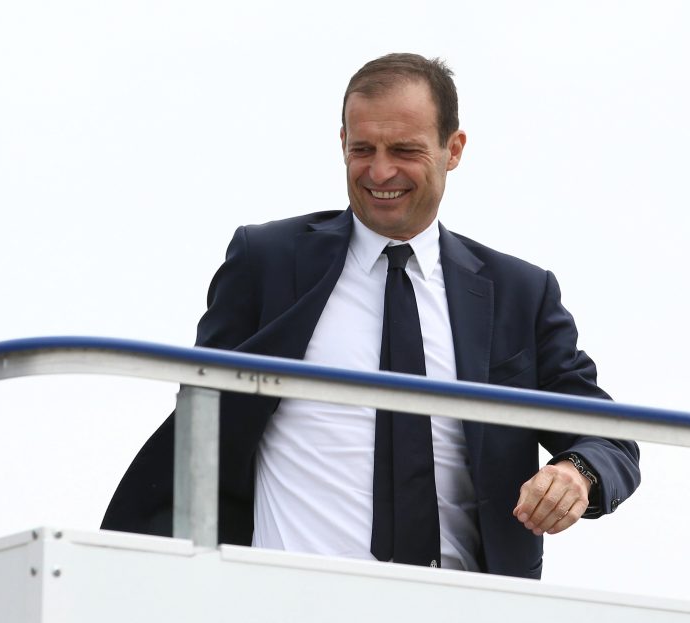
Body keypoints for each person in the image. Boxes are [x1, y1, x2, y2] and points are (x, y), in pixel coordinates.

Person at [102, 52, 640, 579]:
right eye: (363, 148)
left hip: (464, 604)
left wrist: (578, 471)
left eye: (404, 150)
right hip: (287, 597)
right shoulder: (265, 261)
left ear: (454, 149)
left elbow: (611, 438)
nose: (380, 171)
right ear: (341, 144)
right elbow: (202, 421)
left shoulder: (519, 292)